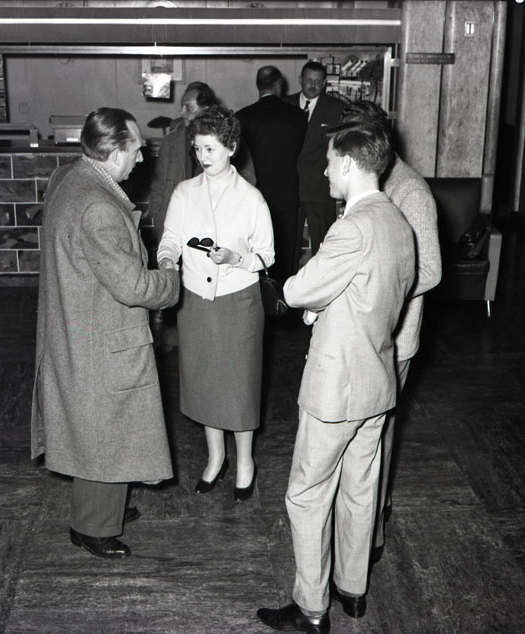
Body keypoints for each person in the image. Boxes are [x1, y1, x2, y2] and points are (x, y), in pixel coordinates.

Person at [257, 121, 415, 634]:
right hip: (377, 382)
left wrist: (311, 301)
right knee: (360, 491)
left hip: (337, 387)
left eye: (328, 162)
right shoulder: (398, 222)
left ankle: (310, 608)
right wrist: (326, 305)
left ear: (347, 163)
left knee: (307, 494)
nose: (324, 171)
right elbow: (371, 296)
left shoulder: (352, 227)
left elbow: (297, 289)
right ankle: (352, 590)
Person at [31, 107, 180, 559]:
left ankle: (103, 506)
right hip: (101, 334)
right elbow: (134, 286)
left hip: (76, 321)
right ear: (114, 153)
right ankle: (92, 527)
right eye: (137, 149)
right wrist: (173, 279)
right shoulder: (99, 207)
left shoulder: (69, 177)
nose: (142, 157)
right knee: (104, 427)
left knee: (94, 426)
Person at [339, 100, 442, 562]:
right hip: (361, 336)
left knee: (376, 438)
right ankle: (356, 527)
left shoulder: (410, 191)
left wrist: (377, 287)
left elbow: (431, 270)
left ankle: (371, 533)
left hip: (392, 339)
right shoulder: (368, 179)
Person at [157, 106, 274, 501]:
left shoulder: (252, 199)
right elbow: (171, 238)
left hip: (239, 301)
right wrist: (167, 260)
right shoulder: (184, 192)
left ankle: (245, 462)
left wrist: (236, 258)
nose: (202, 156)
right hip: (196, 300)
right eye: (198, 148)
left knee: (239, 386)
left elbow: (267, 256)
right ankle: (216, 457)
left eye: (210, 149)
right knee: (205, 381)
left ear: (231, 148)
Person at [236, 65, 308, 284]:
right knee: (285, 258)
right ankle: (282, 300)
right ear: (279, 84)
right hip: (286, 195)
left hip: (253, 196)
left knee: (254, 255)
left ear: (258, 86)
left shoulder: (243, 116)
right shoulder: (297, 116)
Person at [284, 61, 346, 258]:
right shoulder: (285, 104)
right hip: (290, 188)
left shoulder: (337, 109)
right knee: (288, 245)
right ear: (300, 79)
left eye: (318, 81)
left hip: (320, 188)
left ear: (325, 82)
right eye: (309, 80)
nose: (313, 85)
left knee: (323, 244)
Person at [148, 81, 218, 243]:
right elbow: (158, 187)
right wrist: (159, 218)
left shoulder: (224, 141)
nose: (182, 112)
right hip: (174, 231)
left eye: (189, 108)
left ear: (207, 111)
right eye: (182, 106)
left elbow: (246, 178)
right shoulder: (171, 142)